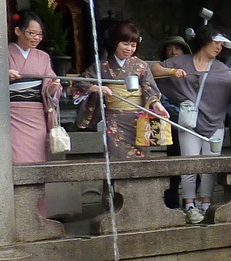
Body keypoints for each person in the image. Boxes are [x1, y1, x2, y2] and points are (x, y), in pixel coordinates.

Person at [159, 27, 231, 224]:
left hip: (214, 123)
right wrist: (172, 71)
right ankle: (190, 204)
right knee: (189, 164)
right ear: (205, 40)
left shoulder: (220, 68)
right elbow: (154, 70)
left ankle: (206, 203)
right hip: (189, 123)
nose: (219, 47)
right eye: (216, 42)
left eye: (222, 45)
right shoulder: (180, 61)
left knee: (209, 166)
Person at [73, 22, 172, 161]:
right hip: (115, 119)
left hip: (139, 118)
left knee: (142, 157)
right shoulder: (102, 66)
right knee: (116, 157)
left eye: (133, 45)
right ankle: (114, 183)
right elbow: (80, 81)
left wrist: (156, 104)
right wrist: (97, 88)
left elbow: (149, 88)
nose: (129, 49)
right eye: (125, 44)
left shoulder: (141, 66)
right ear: (115, 42)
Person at [7, 10, 61, 166]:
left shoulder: (43, 57)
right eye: (32, 33)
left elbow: (50, 86)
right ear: (18, 31)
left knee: (37, 158)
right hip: (12, 114)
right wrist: (3, 76)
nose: (36, 38)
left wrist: (52, 88)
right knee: (15, 157)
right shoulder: (3, 54)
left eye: (40, 35)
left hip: (36, 115)